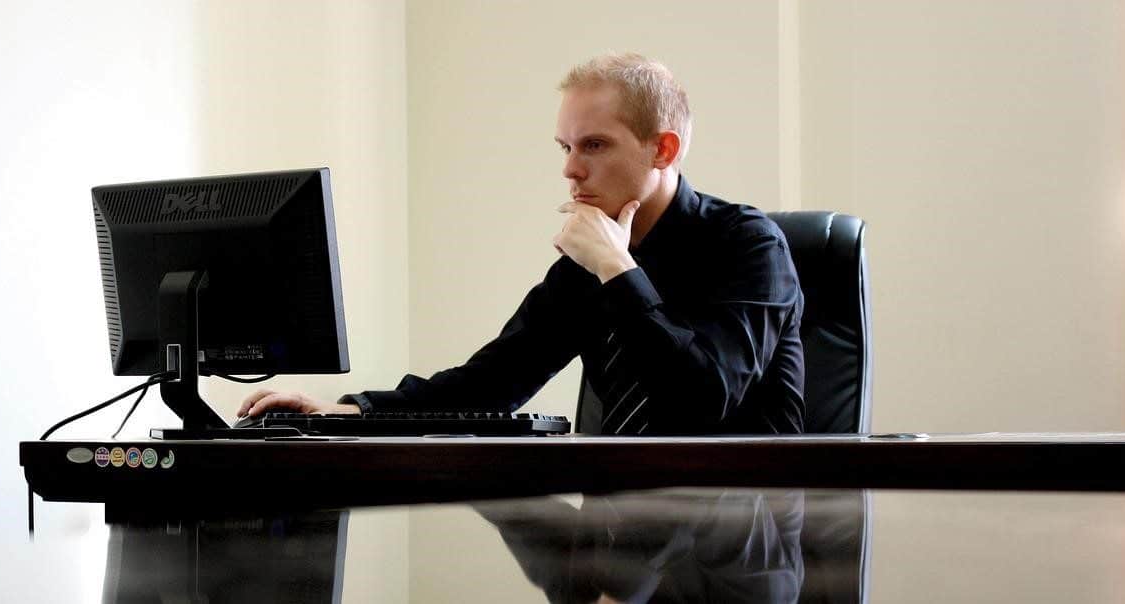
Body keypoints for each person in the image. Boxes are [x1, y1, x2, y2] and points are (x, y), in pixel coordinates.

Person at [238, 53, 805, 435]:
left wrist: (616, 268)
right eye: (565, 146)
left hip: (736, 542)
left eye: (594, 146)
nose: (570, 170)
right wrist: (349, 411)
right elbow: (489, 385)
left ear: (662, 149)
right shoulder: (588, 264)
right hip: (619, 538)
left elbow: (702, 402)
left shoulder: (750, 246)